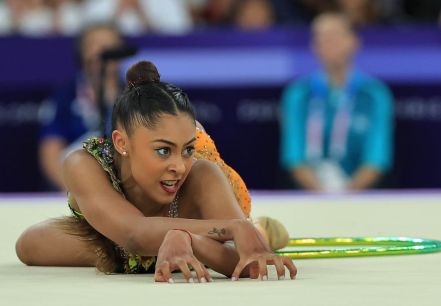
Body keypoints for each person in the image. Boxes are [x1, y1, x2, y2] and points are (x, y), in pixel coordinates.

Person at [17, 60, 296, 283]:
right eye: (163, 151)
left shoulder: (202, 174)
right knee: (30, 245)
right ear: (121, 143)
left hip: (200, 214)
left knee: (246, 232)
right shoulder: (83, 164)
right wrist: (231, 228)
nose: (179, 165)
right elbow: (135, 234)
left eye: (187, 149)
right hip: (116, 235)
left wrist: (194, 240)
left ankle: (260, 228)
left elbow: (243, 264)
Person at [280, 12, 393, 192]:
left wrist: (347, 194)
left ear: (354, 41)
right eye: (321, 38)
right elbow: (294, 156)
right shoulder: (298, 94)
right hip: (310, 197)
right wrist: (323, 195)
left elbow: (377, 157)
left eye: (335, 36)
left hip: (361, 198)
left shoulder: (374, 94)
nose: (328, 44)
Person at [39, 23, 123, 190]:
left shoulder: (137, 95)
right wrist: (74, 194)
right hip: (73, 188)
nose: (102, 51)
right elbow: (50, 152)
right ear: (82, 52)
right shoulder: (63, 97)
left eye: (109, 45)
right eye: (95, 44)